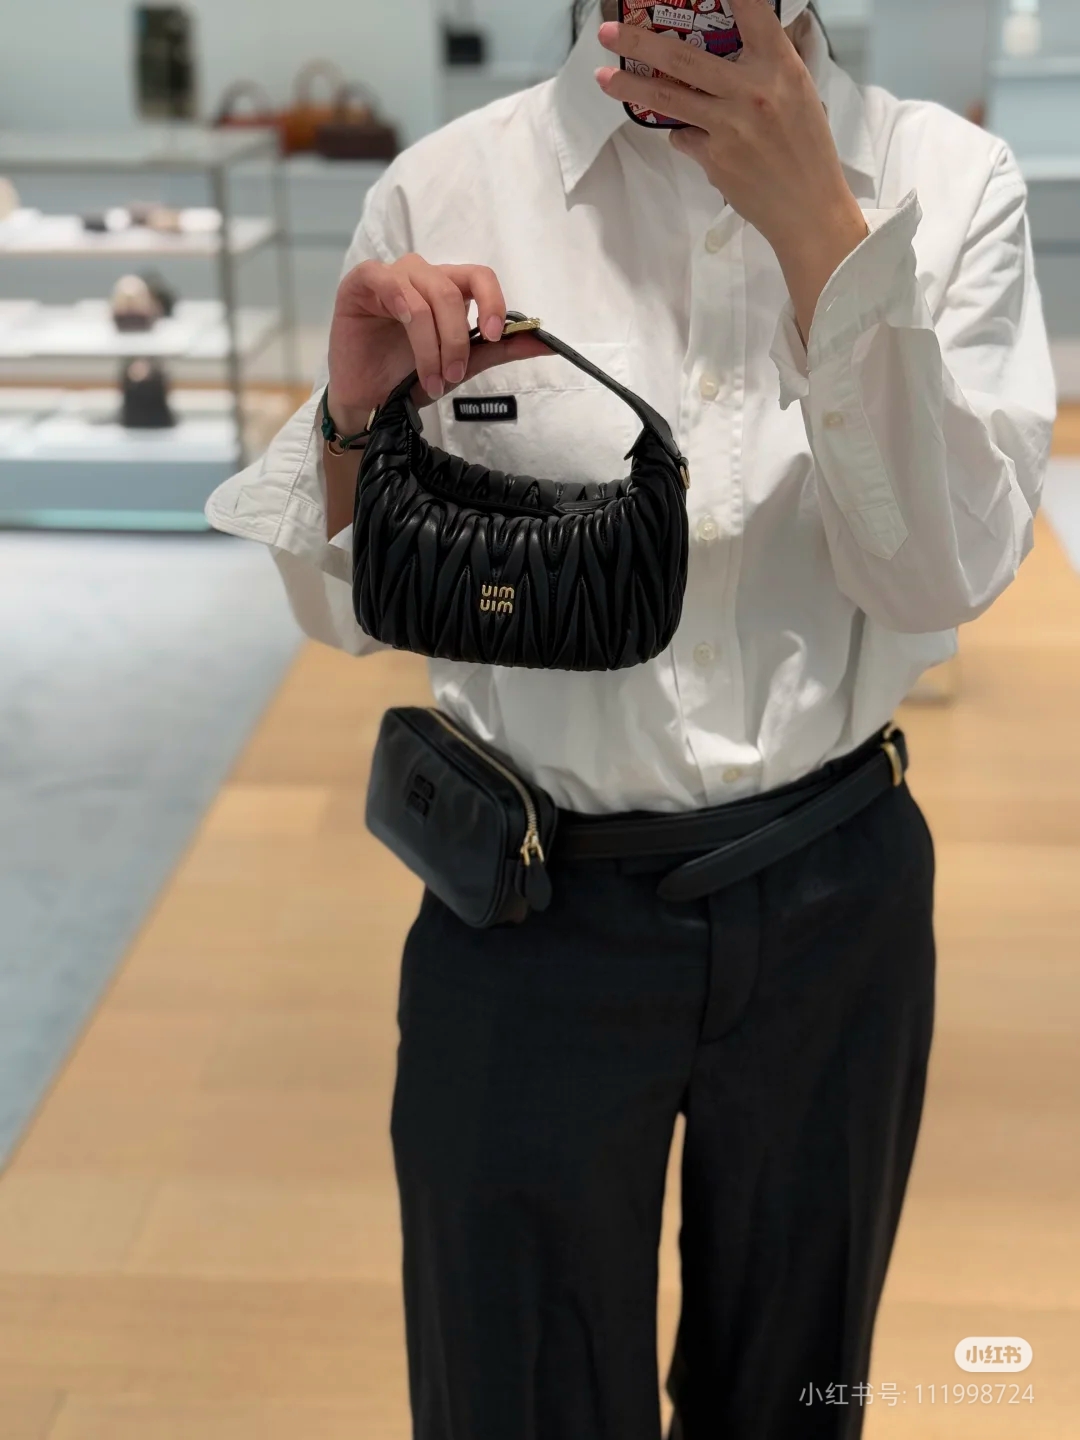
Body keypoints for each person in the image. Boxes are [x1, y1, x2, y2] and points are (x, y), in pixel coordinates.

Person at [206, 1, 1056, 1436]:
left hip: (832, 902)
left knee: (795, 1391)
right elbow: (344, 611)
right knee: (513, 1395)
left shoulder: (948, 181)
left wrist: (825, 238)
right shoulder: (450, 188)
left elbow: (941, 577)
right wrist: (352, 420)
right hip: (527, 916)